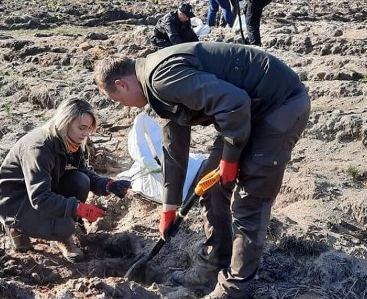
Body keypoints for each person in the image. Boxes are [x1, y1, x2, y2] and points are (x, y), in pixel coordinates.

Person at [94, 42, 311, 299]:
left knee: (249, 203)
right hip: (245, 115)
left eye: (117, 100)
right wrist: (169, 206)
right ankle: (213, 263)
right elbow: (174, 147)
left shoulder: (162, 77)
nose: (124, 106)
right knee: (211, 186)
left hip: (279, 107)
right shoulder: (155, 87)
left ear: (121, 84)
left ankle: (233, 289)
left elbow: (234, 102)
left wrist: (230, 160)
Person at [0, 97, 131, 262]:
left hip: (43, 191)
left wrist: (108, 185)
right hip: (15, 202)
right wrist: (78, 208)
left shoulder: (71, 141)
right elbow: (39, 197)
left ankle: (60, 234)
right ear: (66, 122)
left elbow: (82, 172)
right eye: (82, 128)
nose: (86, 134)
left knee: (81, 180)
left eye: (89, 129)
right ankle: (17, 227)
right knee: (66, 226)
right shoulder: (39, 149)